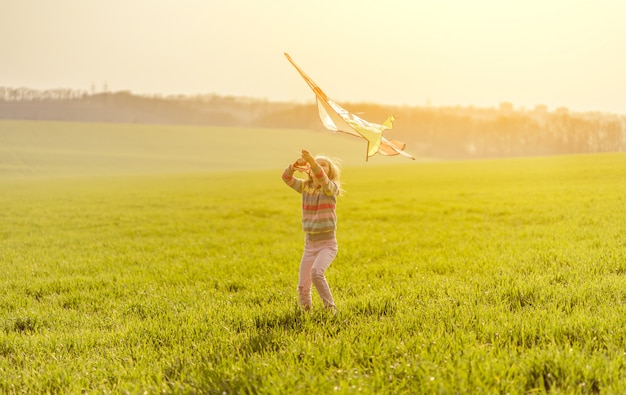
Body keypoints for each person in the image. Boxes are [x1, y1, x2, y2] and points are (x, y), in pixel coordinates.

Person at [282, 149, 342, 312]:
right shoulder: (305, 187)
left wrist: (313, 162)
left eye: (324, 165)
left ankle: (330, 309)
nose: (320, 168)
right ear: (308, 170)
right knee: (303, 284)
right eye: (317, 164)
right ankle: (306, 311)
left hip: (327, 244)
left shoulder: (331, 188)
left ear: (330, 171)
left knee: (316, 273)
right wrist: (295, 166)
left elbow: (322, 178)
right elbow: (286, 178)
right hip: (310, 244)